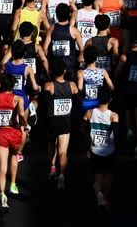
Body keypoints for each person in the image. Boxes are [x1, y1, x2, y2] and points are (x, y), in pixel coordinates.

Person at [0, 73, 28, 212]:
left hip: (0, 133)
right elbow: (21, 116)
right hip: (14, 133)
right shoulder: (17, 98)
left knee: (2, 167)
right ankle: (13, 184)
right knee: (14, 156)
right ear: (13, 85)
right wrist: (25, 125)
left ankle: (2, 196)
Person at [43, 58, 78, 190]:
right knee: (63, 151)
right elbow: (79, 101)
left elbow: (45, 103)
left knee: (51, 143)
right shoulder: (72, 85)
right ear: (64, 71)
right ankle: (62, 175)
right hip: (65, 120)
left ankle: (52, 167)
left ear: (52, 71)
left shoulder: (49, 86)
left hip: (52, 120)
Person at [84, 86, 118, 214]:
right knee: (108, 173)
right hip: (109, 150)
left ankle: (98, 193)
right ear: (110, 99)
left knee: (97, 177)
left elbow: (83, 129)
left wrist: (88, 146)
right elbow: (117, 133)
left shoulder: (90, 113)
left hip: (95, 150)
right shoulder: (113, 116)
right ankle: (104, 199)